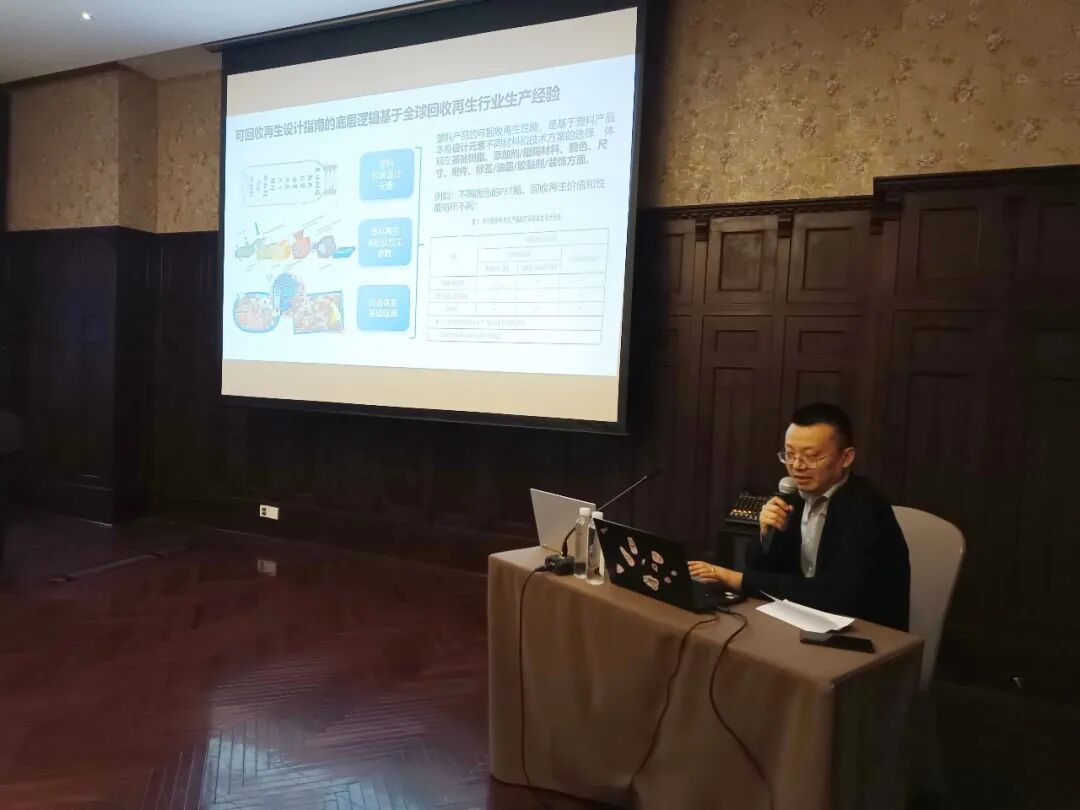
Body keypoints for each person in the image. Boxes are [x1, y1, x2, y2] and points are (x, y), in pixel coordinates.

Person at [689, 403, 911, 631]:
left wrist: (735, 579)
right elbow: (766, 572)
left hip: (864, 631)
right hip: (803, 620)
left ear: (846, 457)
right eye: (789, 454)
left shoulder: (866, 508)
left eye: (811, 457)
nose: (796, 466)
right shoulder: (794, 498)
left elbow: (837, 595)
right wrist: (766, 535)